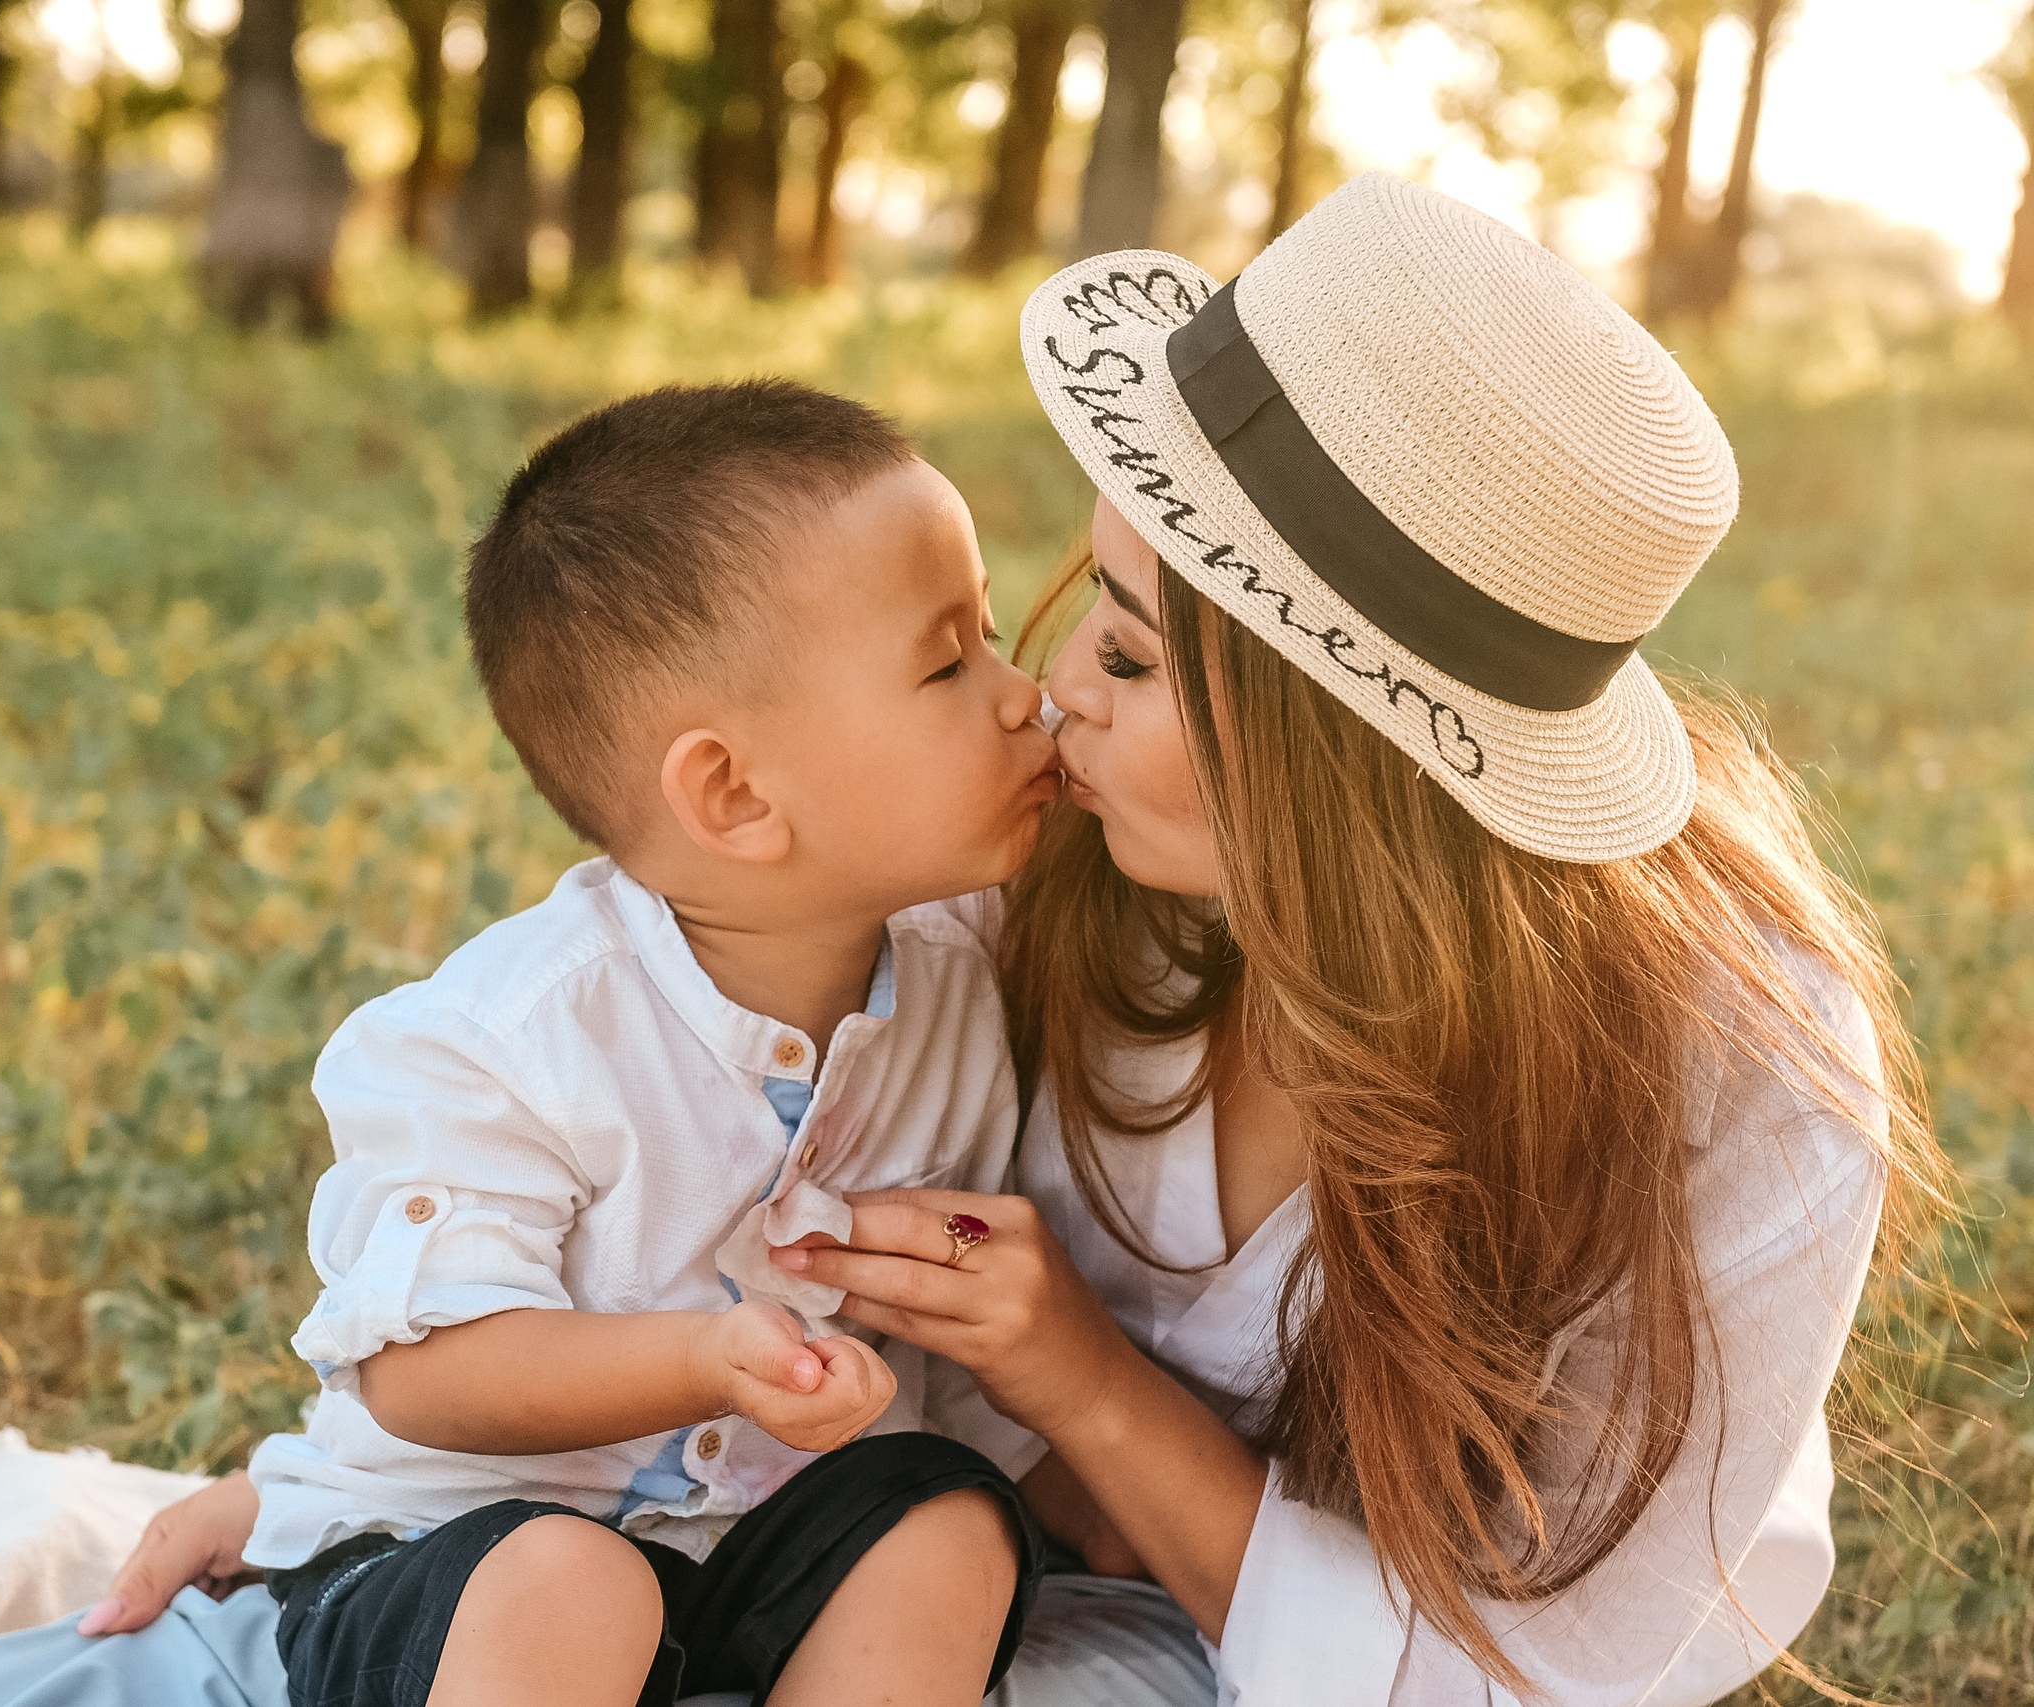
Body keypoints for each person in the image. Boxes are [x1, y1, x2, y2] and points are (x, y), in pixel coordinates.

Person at [769, 172, 1951, 1703]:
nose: (1055, 685)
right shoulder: (1052, 838)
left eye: (1130, 650)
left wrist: (1088, 1389)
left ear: (1333, 751)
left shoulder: (1736, 1072)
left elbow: (1526, 1677)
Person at [0, 379, 1062, 1707]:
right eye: (950, 662)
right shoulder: (511, 1038)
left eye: (997, 635)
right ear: (732, 794)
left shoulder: (970, 954)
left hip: (757, 1547)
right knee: (572, 1586)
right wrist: (695, 1359)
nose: (1031, 698)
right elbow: (427, 1370)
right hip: (452, 1566)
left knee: (941, 1523)